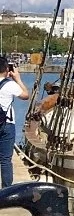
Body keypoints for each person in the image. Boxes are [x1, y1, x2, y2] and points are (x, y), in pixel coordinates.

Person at [0, 60, 31, 188]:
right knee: (5, 160)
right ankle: (6, 192)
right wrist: (18, 78)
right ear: (7, 69)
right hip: (6, 124)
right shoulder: (10, 85)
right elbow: (25, 95)